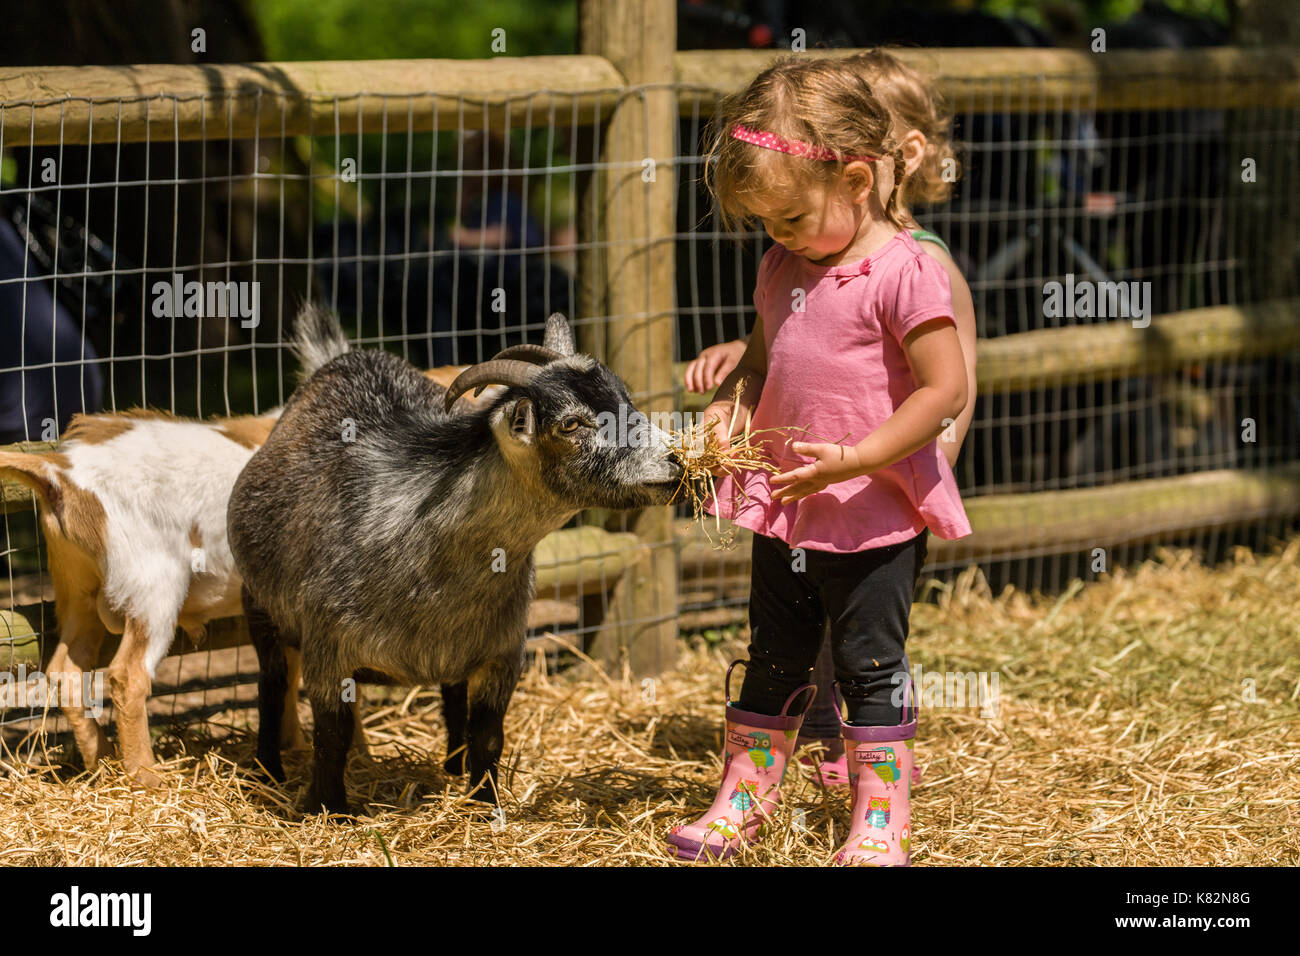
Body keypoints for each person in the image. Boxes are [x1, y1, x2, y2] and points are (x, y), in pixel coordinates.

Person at [666, 54, 972, 866]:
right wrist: (728, 412)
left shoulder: (906, 272)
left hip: (872, 508)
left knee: (871, 665)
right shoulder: (780, 268)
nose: (779, 236)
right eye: (766, 223)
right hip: (788, 501)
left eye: (793, 218)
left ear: (858, 181)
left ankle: (878, 822)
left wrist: (859, 457)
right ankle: (743, 798)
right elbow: (761, 364)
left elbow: (944, 389)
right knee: (772, 653)